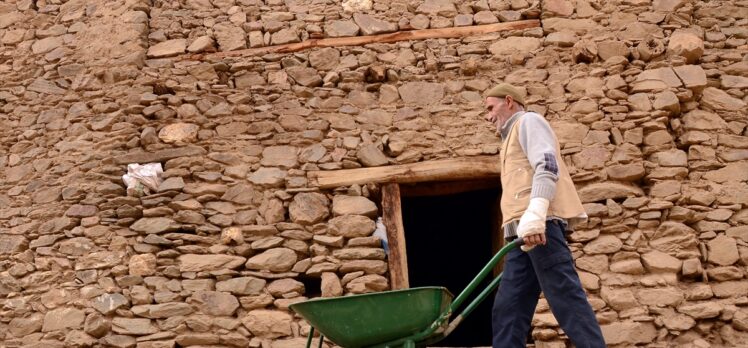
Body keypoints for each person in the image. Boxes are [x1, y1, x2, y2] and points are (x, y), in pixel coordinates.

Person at [484, 83, 606, 347]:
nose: (488, 115)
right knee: (509, 308)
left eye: (490, 107)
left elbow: (547, 163)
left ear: (509, 101)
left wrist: (537, 211)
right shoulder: (508, 140)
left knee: (565, 297)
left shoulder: (529, 122)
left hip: (540, 228)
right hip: (520, 235)